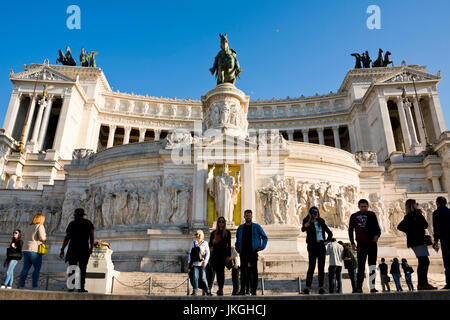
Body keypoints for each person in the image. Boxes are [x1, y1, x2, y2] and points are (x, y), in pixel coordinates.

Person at [397, 199, 437, 290]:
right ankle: (422, 284)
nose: (417, 205)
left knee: (423, 261)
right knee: (424, 262)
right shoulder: (417, 214)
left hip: (414, 242)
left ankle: (423, 283)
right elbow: (425, 225)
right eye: (416, 204)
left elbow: (400, 227)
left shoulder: (408, 216)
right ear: (412, 205)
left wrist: (410, 232)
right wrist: (420, 216)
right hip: (419, 241)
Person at [348, 199, 381, 293]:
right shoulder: (354, 216)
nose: (363, 208)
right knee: (361, 267)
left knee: (372, 266)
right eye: (361, 206)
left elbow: (378, 229)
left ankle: (372, 287)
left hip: (372, 243)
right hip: (361, 244)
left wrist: (377, 236)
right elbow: (350, 230)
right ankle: (359, 287)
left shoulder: (372, 214)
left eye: (365, 206)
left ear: (368, 206)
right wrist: (352, 242)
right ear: (358, 207)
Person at [59, 208, 95, 293]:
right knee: (83, 269)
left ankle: (71, 287)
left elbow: (67, 237)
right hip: (84, 248)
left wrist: (62, 249)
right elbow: (92, 237)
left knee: (72, 268)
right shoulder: (88, 223)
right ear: (83, 214)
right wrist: (91, 248)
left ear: (75, 214)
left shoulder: (72, 223)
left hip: (73, 248)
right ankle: (81, 288)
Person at [235, 209, 268, 296]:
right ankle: (243, 289)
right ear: (244, 216)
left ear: (252, 216)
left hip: (253, 252)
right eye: (247, 215)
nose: (248, 217)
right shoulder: (240, 228)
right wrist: (237, 248)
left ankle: (253, 290)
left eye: (249, 215)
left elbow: (265, 237)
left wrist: (261, 247)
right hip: (243, 252)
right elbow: (237, 239)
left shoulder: (256, 227)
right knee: (243, 272)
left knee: (254, 272)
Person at [301, 206, 333, 294]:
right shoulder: (306, 220)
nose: (316, 215)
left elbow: (329, 233)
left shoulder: (321, 221)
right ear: (310, 213)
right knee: (311, 266)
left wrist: (327, 241)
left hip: (321, 246)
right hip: (312, 246)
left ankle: (321, 287)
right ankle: (308, 287)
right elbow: (303, 229)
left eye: (317, 213)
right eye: (314, 213)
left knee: (321, 267)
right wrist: (305, 226)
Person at [19, 213, 47, 289]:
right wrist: (45, 238)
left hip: (25, 249)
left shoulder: (29, 227)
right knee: (37, 269)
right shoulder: (40, 226)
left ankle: (21, 285)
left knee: (25, 268)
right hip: (34, 249)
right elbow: (42, 237)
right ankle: (34, 285)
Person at [208, 217, 232, 296]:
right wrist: (214, 242)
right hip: (215, 254)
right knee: (212, 273)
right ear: (217, 223)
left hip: (223, 255)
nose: (221, 223)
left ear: (224, 223)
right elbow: (210, 245)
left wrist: (228, 256)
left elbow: (229, 245)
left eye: (222, 222)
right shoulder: (214, 233)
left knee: (221, 274)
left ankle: (220, 289)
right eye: (219, 222)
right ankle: (209, 289)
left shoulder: (227, 233)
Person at [432, 196, 450, 290]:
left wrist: (435, 240)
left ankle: (449, 282)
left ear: (437, 203)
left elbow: (436, 228)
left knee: (447, 261)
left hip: (445, 239)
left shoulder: (436, 213)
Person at [188, 230, 211, 296]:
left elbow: (208, 253)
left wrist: (205, 261)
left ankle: (207, 290)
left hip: (202, 263)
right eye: (196, 234)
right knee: (195, 278)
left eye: (197, 234)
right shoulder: (193, 243)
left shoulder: (205, 243)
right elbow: (190, 253)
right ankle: (195, 291)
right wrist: (189, 262)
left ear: (201, 235)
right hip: (195, 263)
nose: (196, 235)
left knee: (203, 278)